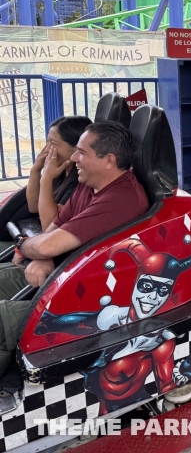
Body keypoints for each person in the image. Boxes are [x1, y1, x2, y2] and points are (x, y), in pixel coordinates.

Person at [0, 121, 149, 391]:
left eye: (81, 152)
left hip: (86, 301)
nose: (74, 158)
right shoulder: (89, 183)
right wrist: (44, 254)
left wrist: (28, 245)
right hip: (60, 277)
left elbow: (46, 244)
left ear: (109, 160)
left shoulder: (120, 197)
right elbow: (54, 229)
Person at [26, 115, 92, 230]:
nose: (47, 149)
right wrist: (36, 170)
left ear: (77, 147)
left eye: (53, 143)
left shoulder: (80, 180)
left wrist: (47, 177)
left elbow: (50, 225)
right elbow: (34, 207)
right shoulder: (60, 171)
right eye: (48, 142)